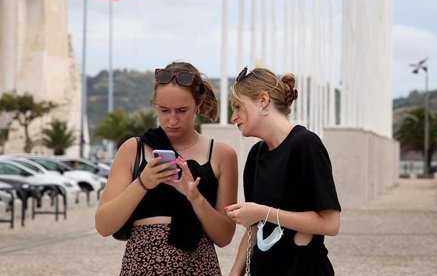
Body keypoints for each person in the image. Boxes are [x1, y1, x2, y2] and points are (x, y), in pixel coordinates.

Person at [95, 61, 238, 276]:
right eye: (164, 110)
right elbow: (104, 225)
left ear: (198, 105)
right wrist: (143, 183)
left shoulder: (222, 155)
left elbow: (224, 237)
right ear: (155, 105)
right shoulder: (133, 149)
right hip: (141, 266)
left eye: (182, 110)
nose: (172, 120)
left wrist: (195, 198)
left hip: (198, 267)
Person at [226, 66, 341, 276]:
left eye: (237, 107)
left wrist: (263, 212)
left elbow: (331, 224)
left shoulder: (306, 145)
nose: (233, 117)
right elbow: (254, 228)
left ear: (262, 100)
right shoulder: (256, 154)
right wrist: (235, 273)